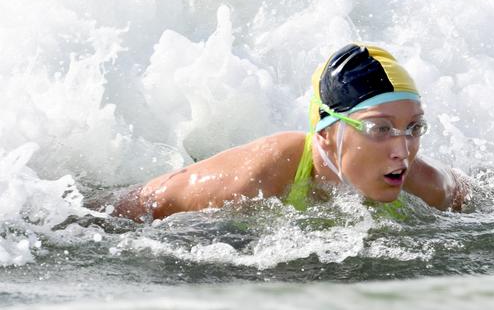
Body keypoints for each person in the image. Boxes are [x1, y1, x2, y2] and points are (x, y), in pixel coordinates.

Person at [114, 43, 469, 222]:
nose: (403, 150)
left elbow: (477, 197)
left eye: (414, 128)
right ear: (326, 131)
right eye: (380, 129)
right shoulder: (261, 173)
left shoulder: (428, 186)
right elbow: (136, 208)